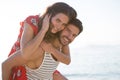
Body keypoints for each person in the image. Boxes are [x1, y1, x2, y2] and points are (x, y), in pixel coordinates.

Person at [2, 2, 78, 80]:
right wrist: (43, 30)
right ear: (49, 15)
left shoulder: (59, 32)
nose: (59, 27)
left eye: (64, 24)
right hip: (21, 61)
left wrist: (52, 50)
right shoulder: (32, 22)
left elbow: (67, 60)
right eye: (58, 20)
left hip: (40, 70)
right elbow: (25, 54)